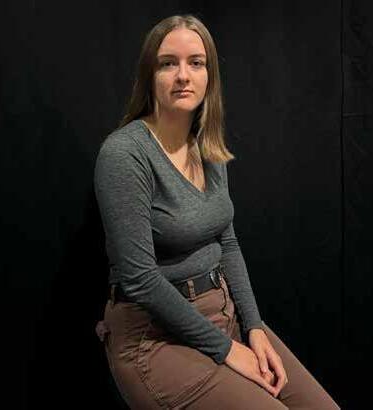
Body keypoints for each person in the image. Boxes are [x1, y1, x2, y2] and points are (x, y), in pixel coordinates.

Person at [94, 14, 341, 410]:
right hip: (153, 338)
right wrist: (227, 350)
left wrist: (254, 328)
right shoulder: (125, 154)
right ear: (149, 75)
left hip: (223, 315)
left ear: (210, 76)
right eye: (168, 63)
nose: (183, 75)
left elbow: (227, 242)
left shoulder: (207, 146)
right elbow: (139, 279)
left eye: (196, 62)